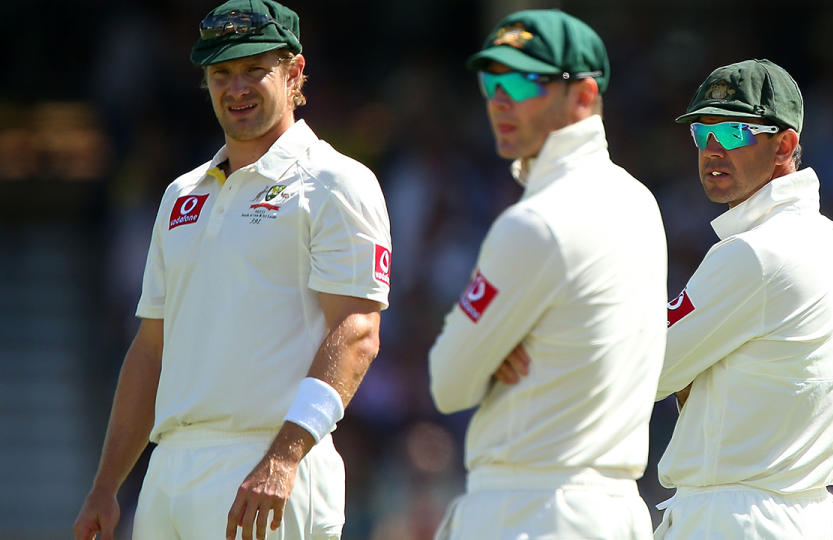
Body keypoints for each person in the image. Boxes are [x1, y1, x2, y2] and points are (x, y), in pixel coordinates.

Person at [73, 1, 391, 539]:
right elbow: (152, 349)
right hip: (170, 470)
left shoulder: (335, 181)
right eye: (221, 73)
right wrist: (106, 485)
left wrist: (285, 457)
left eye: (253, 69)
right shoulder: (181, 194)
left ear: (294, 74)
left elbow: (357, 332)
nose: (236, 87)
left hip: (268, 468)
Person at [428, 9, 667, 540]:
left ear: (583, 95)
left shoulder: (535, 223)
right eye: (491, 81)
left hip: (530, 510)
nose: (499, 99)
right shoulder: (640, 201)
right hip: (614, 512)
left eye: (521, 80)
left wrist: (490, 354)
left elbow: (447, 381)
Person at [654, 59, 833, 539]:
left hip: (736, 519)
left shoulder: (754, 251)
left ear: (784, 144)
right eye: (701, 135)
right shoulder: (828, 240)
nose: (711, 150)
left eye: (734, 133)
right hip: (801, 515)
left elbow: (641, 368)